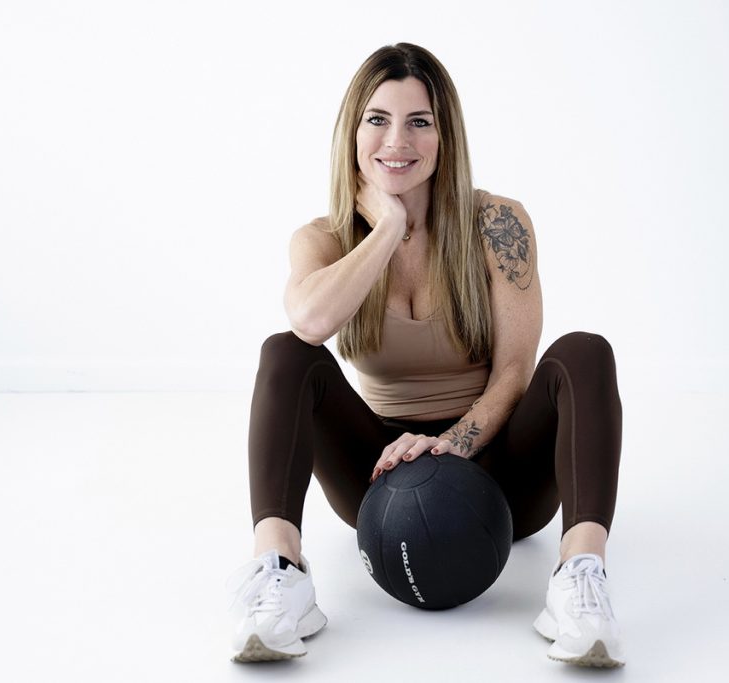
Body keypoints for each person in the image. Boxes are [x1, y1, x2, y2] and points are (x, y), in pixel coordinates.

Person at [228, 43, 625, 668]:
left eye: (419, 121)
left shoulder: (497, 223)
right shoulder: (324, 239)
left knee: (585, 353)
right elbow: (309, 321)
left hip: (499, 468)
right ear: (353, 131)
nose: (397, 140)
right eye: (377, 119)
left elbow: (515, 373)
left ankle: (581, 582)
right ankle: (278, 573)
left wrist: (451, 444)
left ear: (445, 137)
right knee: (285, 352)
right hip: (380, 471)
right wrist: (387, 228)